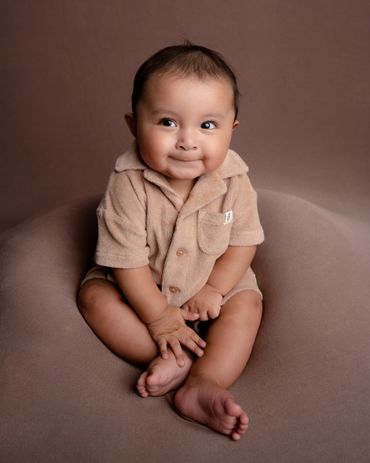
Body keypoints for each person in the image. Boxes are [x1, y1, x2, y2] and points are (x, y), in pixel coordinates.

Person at [78, 43, 264, 441]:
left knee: (247, 304)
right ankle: (170, 357)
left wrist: (216, 288)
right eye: (166, 122)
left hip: (211, 287)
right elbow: (125, 261)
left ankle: (204, 382)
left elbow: (242, 244)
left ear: (231, 130)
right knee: (94, 297)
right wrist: (160, 317)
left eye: (207, 126)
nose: (187, 141)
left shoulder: (234, 179)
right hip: (141, 288)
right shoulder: (127, 182)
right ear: (134, 124)